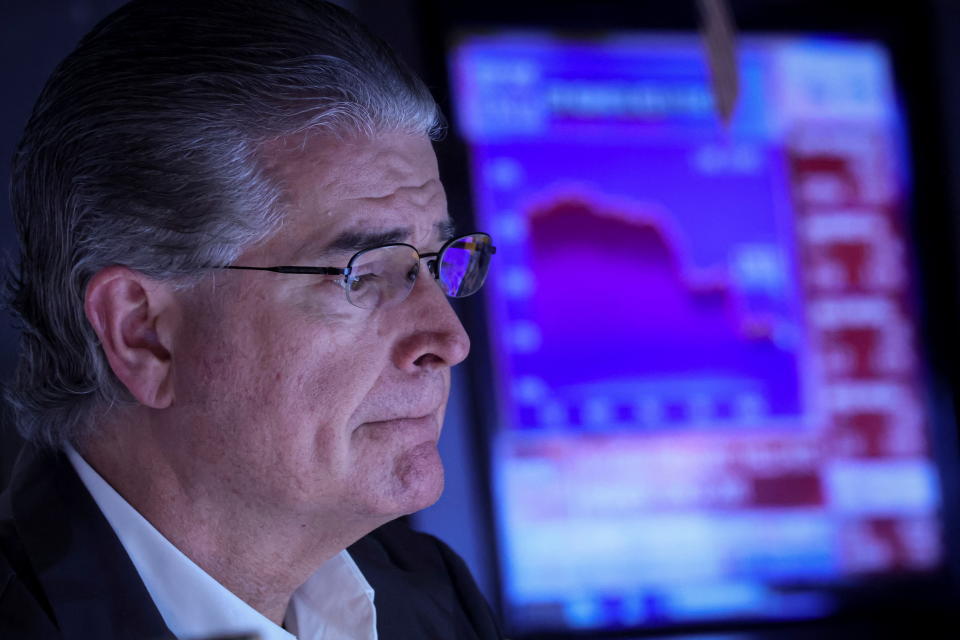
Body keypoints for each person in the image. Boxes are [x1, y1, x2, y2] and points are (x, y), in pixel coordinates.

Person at [0, 1, 501, 638]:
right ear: (143, 334)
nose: (450, 341)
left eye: (437, 262)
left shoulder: (437, 599)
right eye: (366, 273)